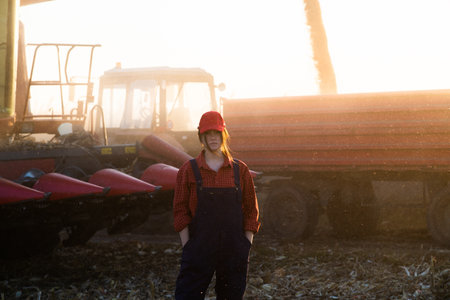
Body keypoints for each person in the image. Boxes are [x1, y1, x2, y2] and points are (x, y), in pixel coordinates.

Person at [173, 111, 260, 299]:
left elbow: (251, 210)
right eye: (208, 133)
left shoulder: (240, 170)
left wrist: (245, 244)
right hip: (199, 248)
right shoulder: (188, 170)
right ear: (201, 137)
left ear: (224, 135)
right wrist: (188, 245)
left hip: (234, 249)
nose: (212, 137)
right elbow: (180, 210)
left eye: (217, 133)